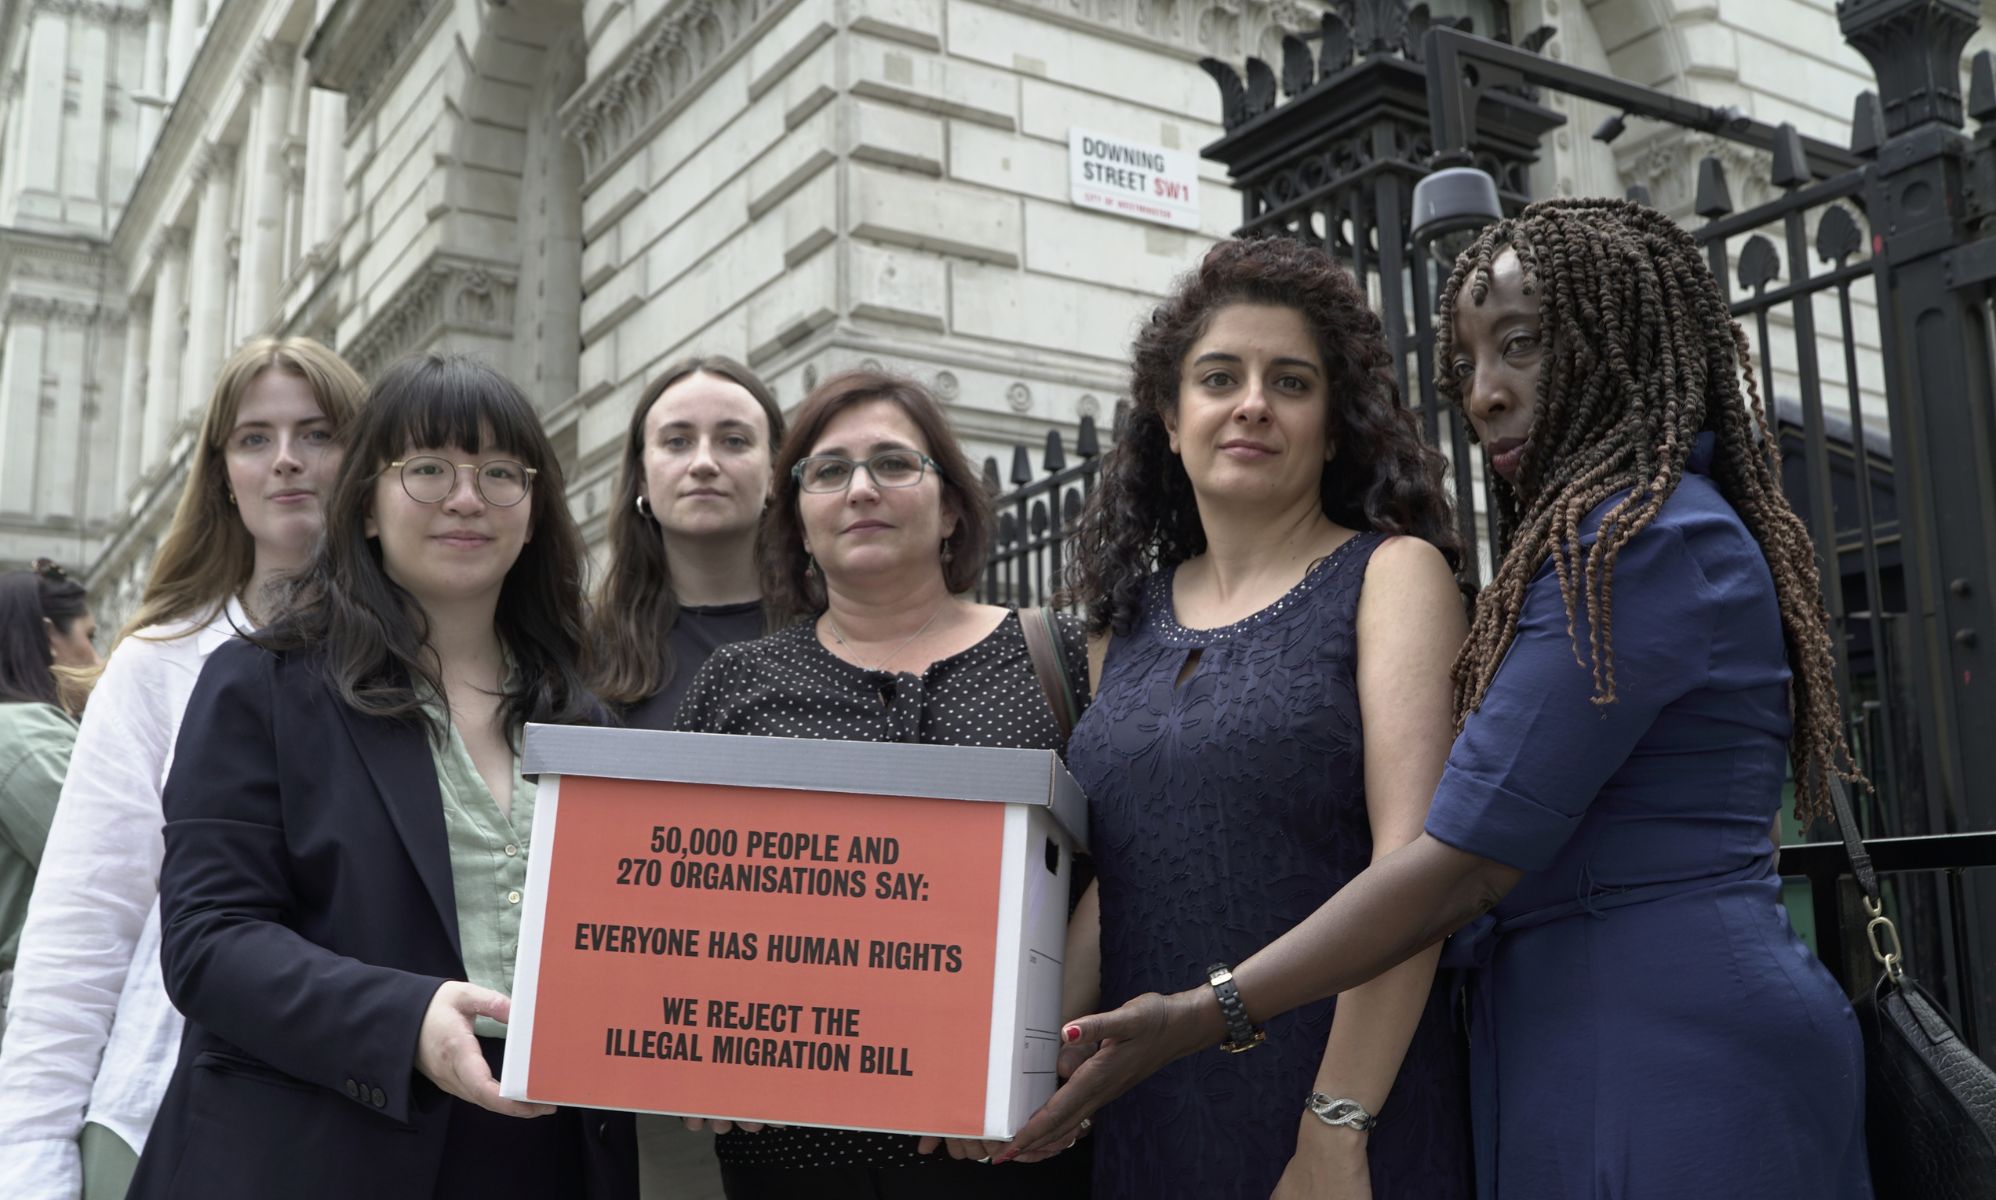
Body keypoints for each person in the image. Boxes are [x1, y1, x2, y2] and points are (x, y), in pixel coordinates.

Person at [1008, 199, 1873, 1199]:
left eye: (1521, 345)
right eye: (1465, 363)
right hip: (1553, 1026)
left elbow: (1452, 865)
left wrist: (1214, 1020)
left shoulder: (1639, 540)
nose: (1485, 394)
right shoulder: (1601, 540)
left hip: (1661, 1038)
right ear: (1165, 414)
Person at [126, 353, 635, 1200]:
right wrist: (405, 1021)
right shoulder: (262, 686)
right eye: (428, 469)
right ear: (366, 504)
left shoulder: (586, 718)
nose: (467, 498)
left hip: (548, 1154)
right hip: (321, 1151)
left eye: (500, 473)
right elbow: (209, 942)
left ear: (536, 510)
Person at [1055, 237, 1472, 1199]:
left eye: (1290, 381)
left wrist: (1338, 1125)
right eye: (1218, 377)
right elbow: (1118, 878)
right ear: (1169, 417)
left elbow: (1417, 870)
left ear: (1333, 427)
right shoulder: (1126, 622)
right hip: (1150, 1103)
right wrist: (1025, 1064)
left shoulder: (1390, 574)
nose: (1252, 403)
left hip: (1336, 1106)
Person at [676, 370, 1090, 1199]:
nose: (860, 488)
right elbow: (683, 893)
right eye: (827, 471)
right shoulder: (734, 685)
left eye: (895, 463)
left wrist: (1046, 1058)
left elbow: (1123, 870)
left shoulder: (1061, 657)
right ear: (796, 521)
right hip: (787, 1152)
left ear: (950, 509)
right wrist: (699, 1056)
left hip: (1012, 1148)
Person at [0, 337, 365, 1200]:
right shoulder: (158, 664)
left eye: (317, 433)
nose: (285, 460)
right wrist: (30, 1165)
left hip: (374, 1126)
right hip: (164, 1117)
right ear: (222, 474)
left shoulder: (425, 657)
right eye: (253, 438)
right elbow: (83, 930)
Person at [589, 355, 786, 728]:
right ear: (642, 477)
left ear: (774, 472)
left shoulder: (837, 632)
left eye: (734, 440)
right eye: (677, 442)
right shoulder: (579, 647)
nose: (704, 463)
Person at [0, 560, 96, 1030]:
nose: (96, 658)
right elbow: (108, 855)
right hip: (31, 1006)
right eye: (90, 636)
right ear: (50, 636)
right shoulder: (23, 736)